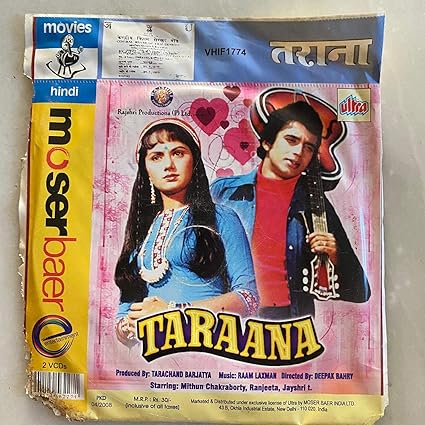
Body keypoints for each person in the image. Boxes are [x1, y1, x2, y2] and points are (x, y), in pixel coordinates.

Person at [211, 101, 370, 320]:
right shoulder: (224, 192)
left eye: (308, 147)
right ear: (267, 142)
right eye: (291, 140)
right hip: (232, 320)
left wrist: (336, 257)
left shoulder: (315, 205)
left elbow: (361, 291)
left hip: (291, 323)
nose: (298, 152)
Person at [115, 118, 258, 344]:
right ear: (146, 171)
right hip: (152, 353)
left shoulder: (222, 218)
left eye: (178, 153)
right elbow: (126, 307)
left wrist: (175, 312)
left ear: (194, 161)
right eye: (156, 157)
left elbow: (248, 298)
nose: (168, 165)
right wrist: (126, 327)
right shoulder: (142, 229)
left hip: (206, 347)